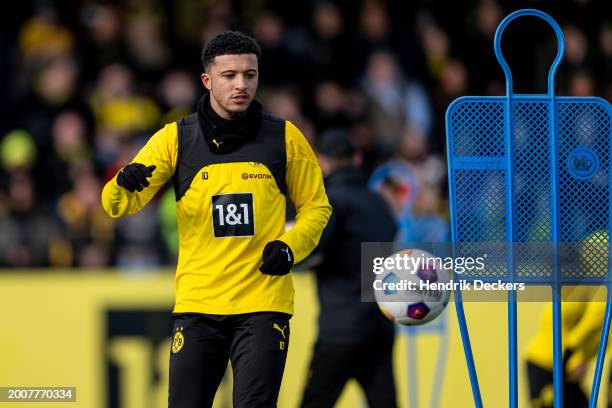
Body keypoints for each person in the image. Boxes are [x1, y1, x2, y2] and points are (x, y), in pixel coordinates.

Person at [100, 31, 331, 408]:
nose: (241, 84)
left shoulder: (285, 138)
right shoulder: (175, 139)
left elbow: (317, 207)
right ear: (207, 80)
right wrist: (120, 185)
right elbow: (118, 205)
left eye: (250, 74)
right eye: (230, 75)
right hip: (198, 306)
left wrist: (290, 248)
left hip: (262, 304)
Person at [299, 129, 398, 408]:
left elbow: (309, 251)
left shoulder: (328, 202)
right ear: (356, 159)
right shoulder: (380, 203)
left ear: (322, 162)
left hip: (340, 330)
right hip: (379, 328)